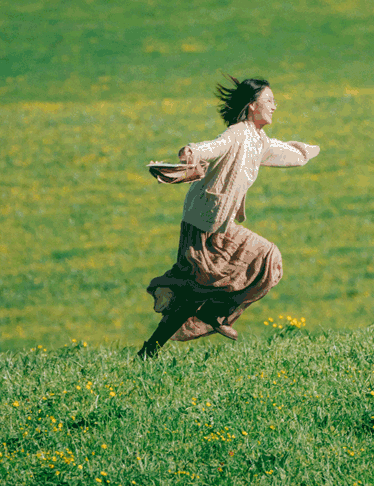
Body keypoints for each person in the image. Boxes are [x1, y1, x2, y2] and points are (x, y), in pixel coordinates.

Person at [137, 76, 320, 358]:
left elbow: (283, 153)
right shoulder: (237, 134)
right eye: (269, 101)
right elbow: (214, 147)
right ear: (252, 106)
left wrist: (307, 152)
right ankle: (168, 337)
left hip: (222, 224)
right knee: (200, 288)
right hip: (203, 223)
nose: (274, 106)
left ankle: (195, 323)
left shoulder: (259, 141)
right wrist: (192, 151)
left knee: (265, 258)